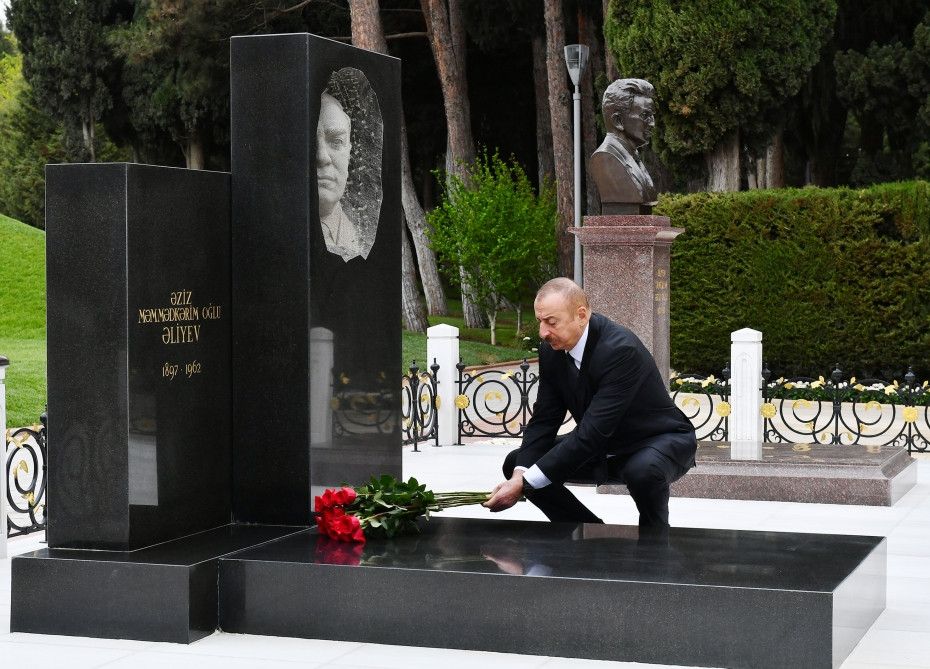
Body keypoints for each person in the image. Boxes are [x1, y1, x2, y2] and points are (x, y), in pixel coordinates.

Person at [483, 278, 696, 532]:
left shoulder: (620, 350)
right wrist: (520, 476)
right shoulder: (551, 350)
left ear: (581, 315)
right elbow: (544, 419)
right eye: (540, 321)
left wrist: (525, 484)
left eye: (551, 322)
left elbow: (592, 433)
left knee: (643, 470)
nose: (543, 332)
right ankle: (587, 532)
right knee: (518, 462)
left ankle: (655, 540)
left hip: (655, 441)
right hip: (602, 446)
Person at [589, 78, 658, 213]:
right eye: (645, 115)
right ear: (618, 121)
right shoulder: (605, 158)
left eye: (652, 116)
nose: (652, 123)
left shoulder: (632, 157)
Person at [317, 92, 362, 261]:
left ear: (349, 153)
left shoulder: (359, 236)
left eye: (336, 141)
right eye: (309, 141)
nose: (322, 157)